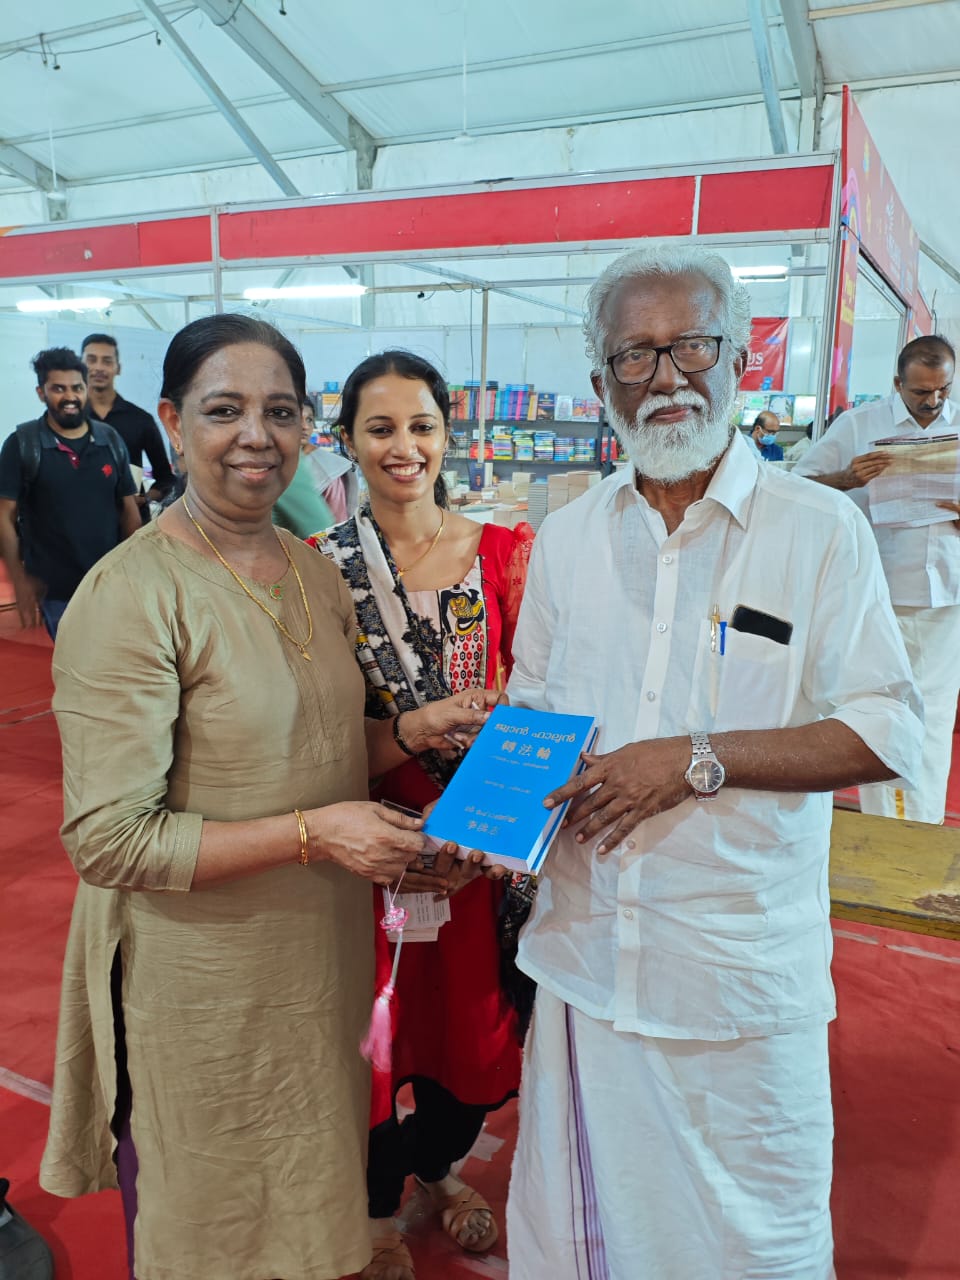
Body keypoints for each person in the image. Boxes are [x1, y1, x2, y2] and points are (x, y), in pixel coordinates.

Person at [37, 315, 495, 1280]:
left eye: (279, 412)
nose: (256, 435)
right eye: (224, 410)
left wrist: (417, 729)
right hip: (202, 983)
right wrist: (317, 834)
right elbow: (112, 841)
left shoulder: (311, 569)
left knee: (310, 1210)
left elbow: (320, 750)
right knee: (216, 1227)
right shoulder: (132, 594)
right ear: (171, 423)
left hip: (319, 969)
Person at [504, 245, 922, 1280]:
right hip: (589, 958)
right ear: (600, 380)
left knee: (758, 1240)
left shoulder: (819, 531)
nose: (667, 377)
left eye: (692, 345)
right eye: (635, 354)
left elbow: (885, 730)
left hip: (736, 971)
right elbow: (533, 712)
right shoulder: (567, 537)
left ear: (739, 359)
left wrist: (694, 758)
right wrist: (493, 814)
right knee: (585, 1236)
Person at [312, 351, 535, 1280]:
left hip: (478, 855)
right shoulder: (317, 572)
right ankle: (371, 1212)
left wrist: (476, 829)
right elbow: (309, 738)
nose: (404, 446)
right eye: (380, 428)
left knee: (473, 1044)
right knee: (368, 1046)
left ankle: (438, 1169)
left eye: (421, 426)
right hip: (365, 852)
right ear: (347, 441)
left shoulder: (507, 556)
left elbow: (542, 710)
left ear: (448, 434)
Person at [794, 335, 959, 824]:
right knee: (879, 713)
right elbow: (795, 487)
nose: (933, 401)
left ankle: (922, 828)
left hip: (946, 597)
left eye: (943, 390)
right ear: (896, 384)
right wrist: (845, 480)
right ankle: (883, 826)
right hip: (876, 594)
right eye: (921, 392)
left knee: (935, 718)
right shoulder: (860, 424)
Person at [0, 347, 140, 638]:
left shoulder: (110, 440)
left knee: (117, 657)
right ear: (41, 393)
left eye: (77, 388)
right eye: (58, 389)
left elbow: (128, 509)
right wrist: (18, 578)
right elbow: (5, 515)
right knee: (78, 659)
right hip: (56, 591)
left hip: (109, 583)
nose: (70, 396)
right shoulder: (22, 444)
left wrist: (137, 571)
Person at [81, 332, 176, 520]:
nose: (99, 367)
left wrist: (144, 499)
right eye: (91, 360)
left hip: (130, 523)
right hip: (81, 520)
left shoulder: (140, 420)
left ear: (118, 368)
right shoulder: (68, 419)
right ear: (80, 365)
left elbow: (166, 479)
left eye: (107, 361)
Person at [301, 398, 360, 523]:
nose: (305, 426)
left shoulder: (329, 471)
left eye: (309, 420)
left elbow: (337, 524)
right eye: (297, 419)